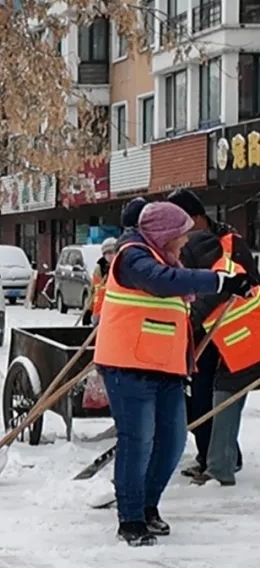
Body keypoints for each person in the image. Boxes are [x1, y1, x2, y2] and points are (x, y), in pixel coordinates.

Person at [93, 201, 253, 546]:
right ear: (163, 234)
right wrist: (219, 280)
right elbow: (162, 282)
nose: (185, 242)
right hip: (129, 366)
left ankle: (148, 507)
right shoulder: (133, 257)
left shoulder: (168, 260)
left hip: (166, 368)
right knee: (137, 443)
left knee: (173, 442)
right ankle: (131, 519)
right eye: (180, 235)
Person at [167, 188, 260, 485]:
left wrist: (187, 320)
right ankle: (215, 457)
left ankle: (220, 463)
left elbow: (229, 288)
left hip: (235, 334)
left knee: (222, 395)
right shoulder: (190, 248)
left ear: (196, 218)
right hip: (208, 337)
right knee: (201, 399)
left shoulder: (229, 245)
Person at [83, 238, 119, 326]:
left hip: (113, 315)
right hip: (98, 314)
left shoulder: (121, 269)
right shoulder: (98, 270)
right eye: (107, 253)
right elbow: (93, 292)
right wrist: (88, 310)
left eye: (112, 252)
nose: (110, 256)